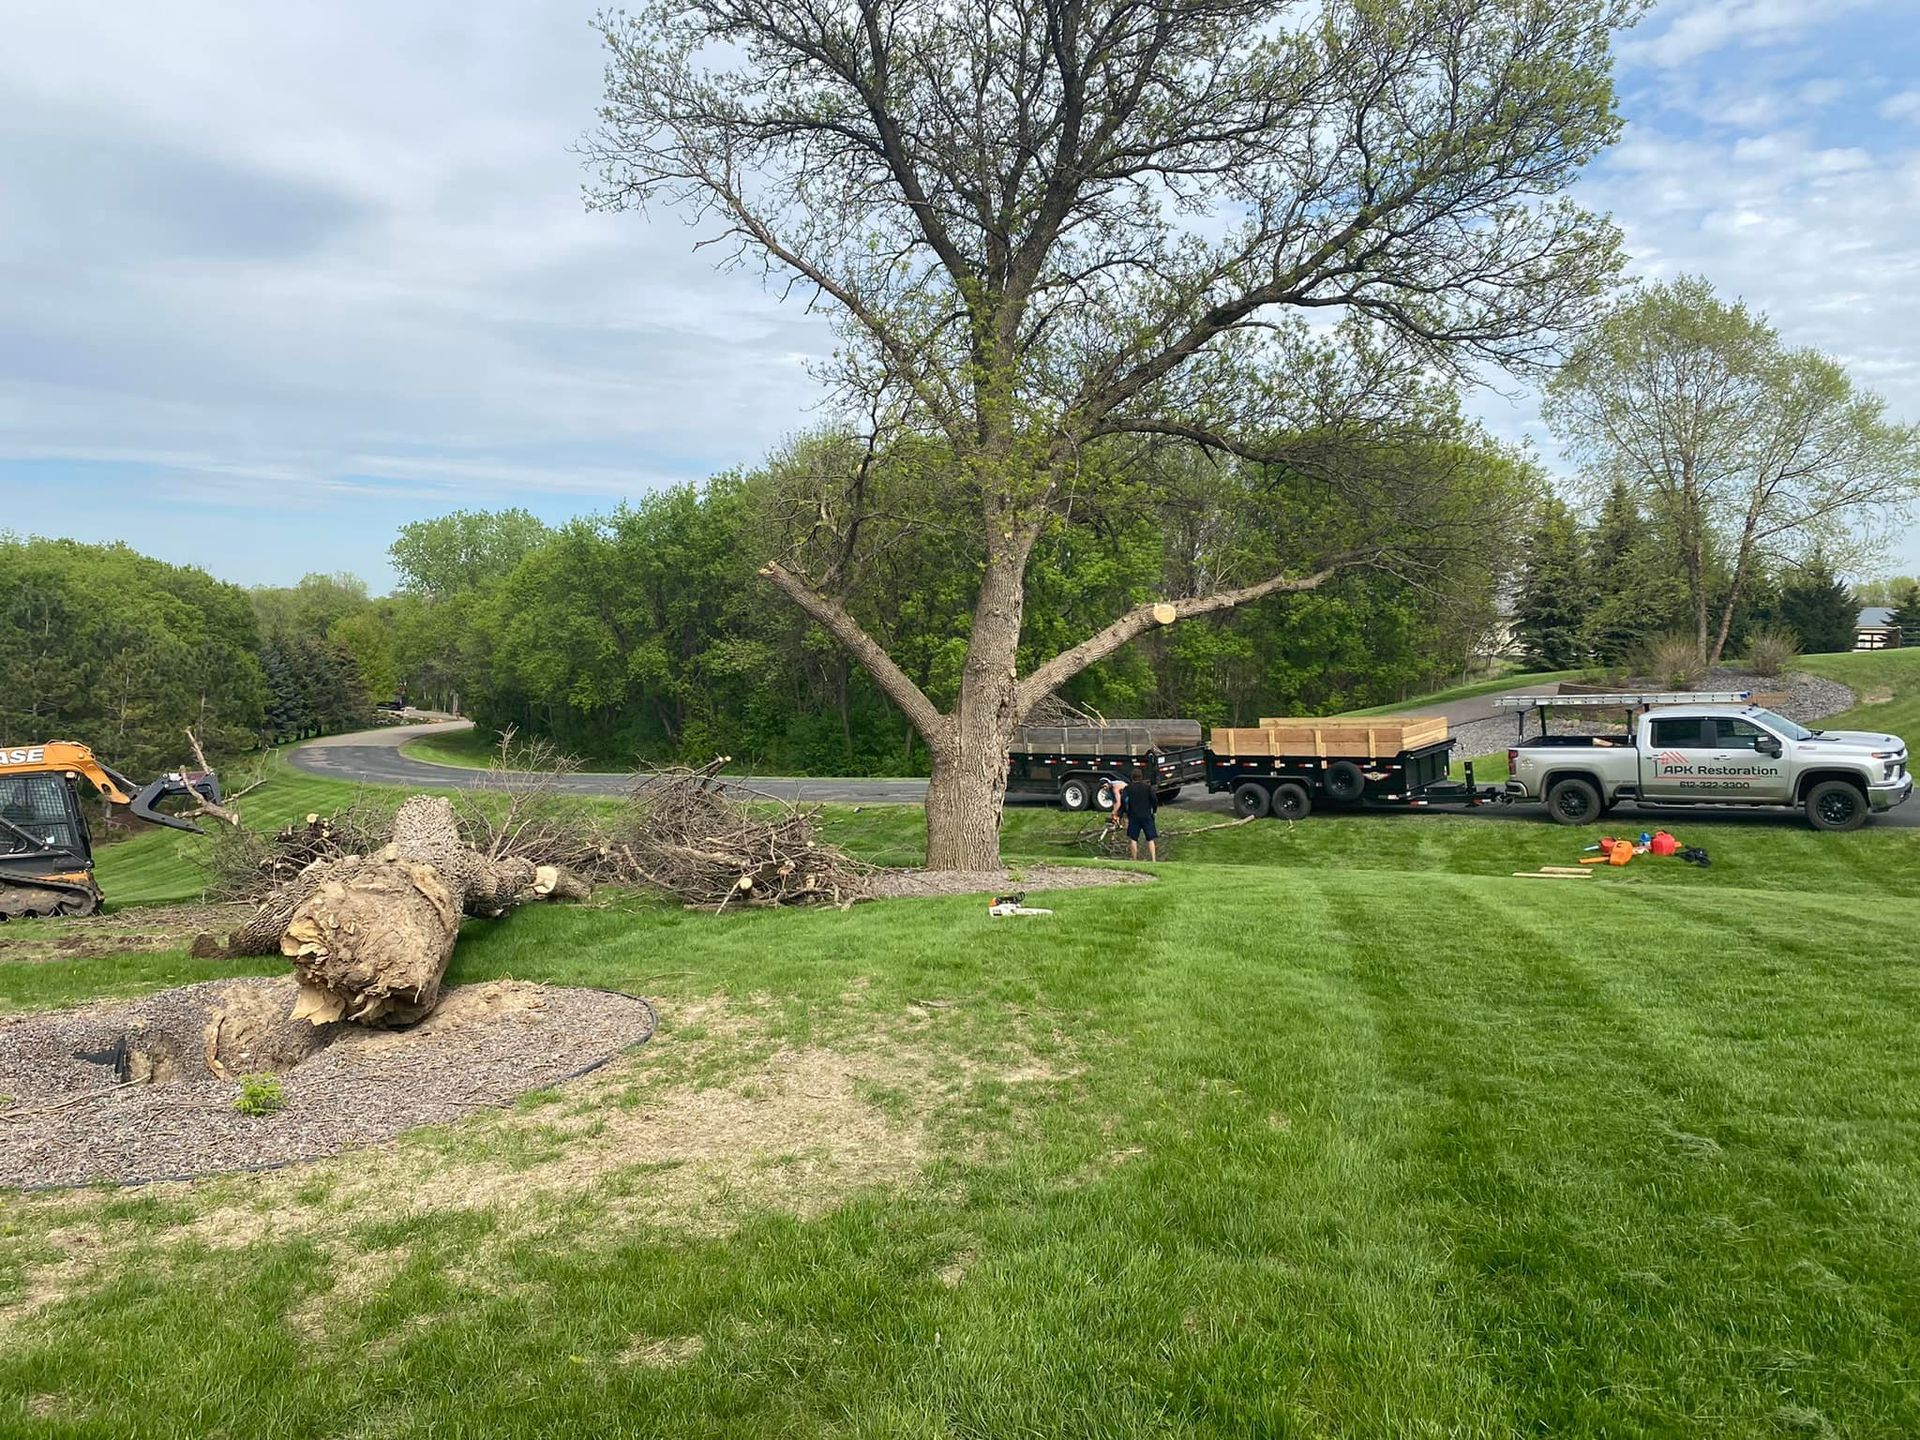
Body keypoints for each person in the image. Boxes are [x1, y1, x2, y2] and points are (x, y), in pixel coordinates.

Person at [1109, 765, 1159, 862]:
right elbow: (1154, 800)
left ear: (1132, 777)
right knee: (1150, 838)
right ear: (1141, 777)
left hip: (1133, 816)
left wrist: (1121, 814)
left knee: (1133, 838)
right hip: (1146, 815)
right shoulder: (1147, 788)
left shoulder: (1128, 788)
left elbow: (1123, 802)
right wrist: (1154, 811)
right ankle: (1153, 860)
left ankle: (1134, 859)